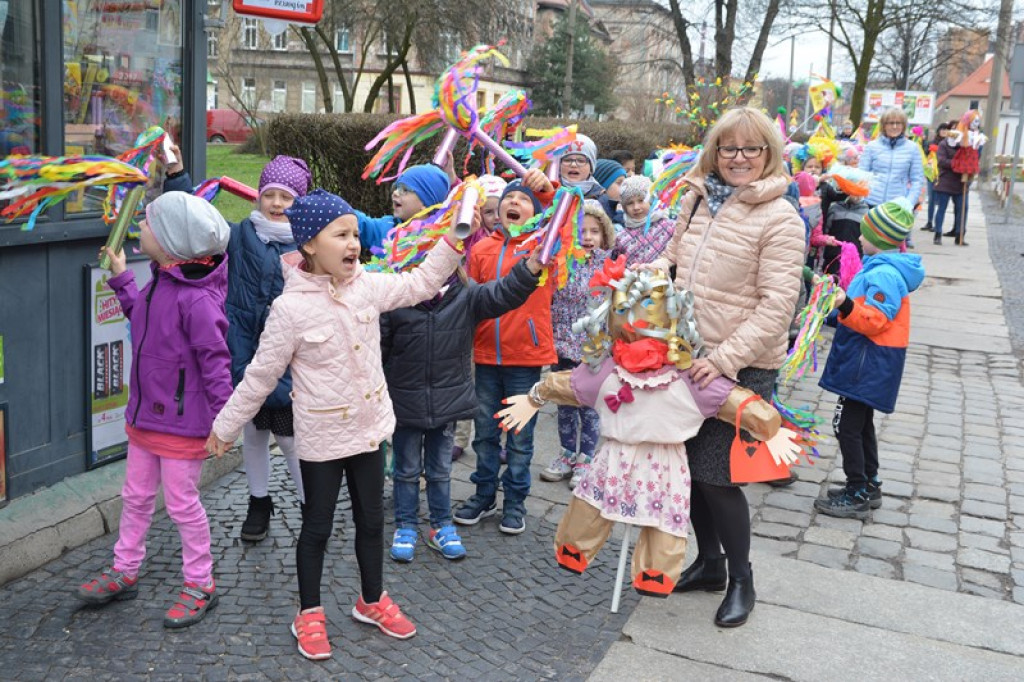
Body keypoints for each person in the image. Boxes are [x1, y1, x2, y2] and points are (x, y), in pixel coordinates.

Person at [206, 188, 466, 660]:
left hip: (368, 430)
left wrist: (452, 242)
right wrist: (225, 427)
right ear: (309, 245)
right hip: (322, 438)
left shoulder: (367, 284)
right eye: (340, 234)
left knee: (371, 520)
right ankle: (308, 613)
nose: (353, 244)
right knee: (318, 528)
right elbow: (260, 377)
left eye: (354, 234)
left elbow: (421, 283)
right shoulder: (289, 309)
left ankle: (371, 600)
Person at [496, 260, 797, 598]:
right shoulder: (607, 372)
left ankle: (656, 573)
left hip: (664, 463)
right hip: (614, 455)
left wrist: (772, 428)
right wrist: (533, 397)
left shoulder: (689, 378)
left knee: (662, 518)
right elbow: (566, 384)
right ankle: (573, 550)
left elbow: (734, 401)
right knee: (591, 504)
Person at [647, 106, 805, 627]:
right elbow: (671, 259)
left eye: (750, 149)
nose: (738, 158)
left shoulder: (781, 217)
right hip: (684, 356)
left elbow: (778, 306)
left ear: (769, 154)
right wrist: (637, 280)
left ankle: (742, 578)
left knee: (717, 475)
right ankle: (710, 563)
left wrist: (724, 361)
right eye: (728, 148)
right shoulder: (696, 197)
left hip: (739, 365)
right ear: (714, 153)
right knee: (688, 472)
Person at [77, 192, 232, 630]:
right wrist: (123, 279)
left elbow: (217, 364)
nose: (140, 227)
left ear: (169, 242)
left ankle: (201, 583)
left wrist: (224, 422)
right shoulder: (161, 279)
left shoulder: (197, 300)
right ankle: (125, 568)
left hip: (183, 427)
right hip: (145, 420)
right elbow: (140, 322)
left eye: (147, 223)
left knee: (182, 505)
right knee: (136, 497)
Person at [161, 150, 311, 541]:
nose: (276, 204)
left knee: (291, 439)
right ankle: (259, 502)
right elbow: (197, 220)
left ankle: (311, 505)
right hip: (243, 356)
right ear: (259, 196)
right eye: (270, 195)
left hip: (287, 362)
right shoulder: (240, 236)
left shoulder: (308, 247)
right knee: (253, 434)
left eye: (287, 197)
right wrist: (177, 174)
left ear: (299, 203)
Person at [382, 235, 544, 563]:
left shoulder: (466, 298)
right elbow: (378, 351)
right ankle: (406, 525)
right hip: (405, 403)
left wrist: (531, 267)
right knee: (407, 470)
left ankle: (441, 525)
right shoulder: (395, 300)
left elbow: (504, 292)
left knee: (440, 470)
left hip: (446, 403)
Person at [455, 171, 558, 535]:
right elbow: (473, 298)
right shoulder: (481, 249)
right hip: (484, 356)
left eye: (524, 199)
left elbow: (565, 211)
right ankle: (483, 494)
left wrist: (546, 189)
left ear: (539, 210)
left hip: (524, 359)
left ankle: (515, 502)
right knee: (484, 432)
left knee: (519, 437)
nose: (514, 202)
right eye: (509, 199)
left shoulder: (546, 248)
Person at [816, 199, 924, 518]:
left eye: (864, 234)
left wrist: (844, 304)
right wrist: (832, 311)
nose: (859, 239)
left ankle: (857, 491)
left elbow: (875, 320)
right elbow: (860, 311)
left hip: (867, 362)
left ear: (877, 238)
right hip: (865, 359)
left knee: (845, 425)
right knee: (860, 425)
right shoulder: (878, 268)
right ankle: (869, 484)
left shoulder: (886, 275)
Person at [540, 200, 615, 489]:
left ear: (604, 235)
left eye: (594, 231)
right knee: (565, 403)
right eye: (582, 231)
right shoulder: (562, 261)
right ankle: (567, 453)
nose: (588, 237)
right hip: (561, 341)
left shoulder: (608, 263)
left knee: (590, 406)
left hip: (594, 346)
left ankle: (587, 458)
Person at [452, 173, 508, 462]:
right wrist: (453, 176)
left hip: (500, 326)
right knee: (468, 382)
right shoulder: (474, 236)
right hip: (473, 323)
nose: (495, 217)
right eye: (488, 211)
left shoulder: (511, 239)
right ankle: (460, 438)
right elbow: (460, 200)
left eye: (499, 210)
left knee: (495, 390)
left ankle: (500, 440)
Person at [355, 164, 451, 250]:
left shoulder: (438, 240)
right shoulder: (388, 228)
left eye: (405, 190)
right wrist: (342, 209)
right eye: (396, 187)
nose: (395, 193)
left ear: (425, 203)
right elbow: (361, 224)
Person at [859, 107, 924, 211]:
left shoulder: (912, 148)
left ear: (903, 126)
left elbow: (917, 180)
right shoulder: (872, 146)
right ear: (884, 125)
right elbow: (861, 174)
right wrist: (861, 198)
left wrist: (909, 203)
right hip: (870, 203)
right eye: (890, 123)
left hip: (897, 206)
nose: (894, 126)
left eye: (898, 123)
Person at [614, 174, 676, 265]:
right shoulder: (621, 238)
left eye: (641, 200)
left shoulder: (669, 227)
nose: (636, 207)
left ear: (651, 201)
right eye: (630, 203)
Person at [555, 134, 615, 218]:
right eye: (567, 160)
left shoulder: (600, 197)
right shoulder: (551, 190)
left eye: (581, 160)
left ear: (591, 167)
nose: (573, 165)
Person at [921, 122, 952, 235]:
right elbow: (925, 154)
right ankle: (929, 222)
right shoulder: (932, 142)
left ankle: (937, 224)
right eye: (942, 129)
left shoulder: (950, 143)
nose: (943, 131)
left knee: (940, 202)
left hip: (942, 175)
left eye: (946, 129)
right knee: (932, 200)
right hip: (932, 174)